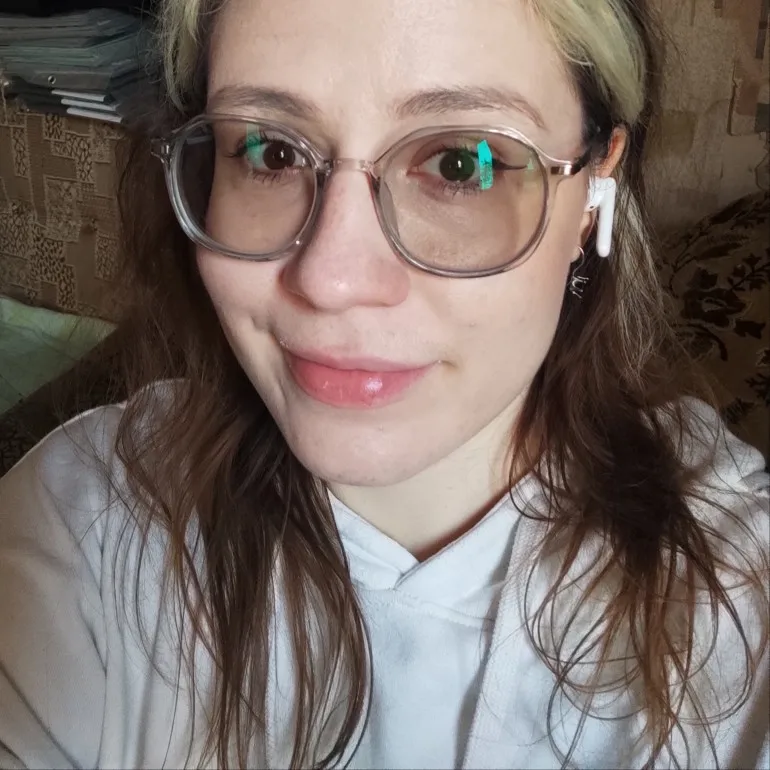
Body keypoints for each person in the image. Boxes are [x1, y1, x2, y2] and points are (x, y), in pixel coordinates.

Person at [0, 0, 768, 767]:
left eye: (460, 163)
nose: (331, 279)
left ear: (594, 194)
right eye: (270, 151)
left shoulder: (742, 611)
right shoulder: (83, 525)